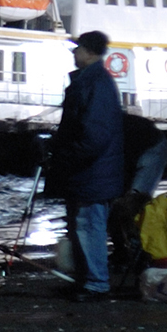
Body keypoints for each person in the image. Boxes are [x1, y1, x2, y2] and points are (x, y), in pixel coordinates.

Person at [49, 31, 124, 301]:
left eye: (77, 48)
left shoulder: (95, 84)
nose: (73, 52)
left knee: (89, 226)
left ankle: (95, 283)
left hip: (91, 171)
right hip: (90, 171)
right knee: (82, 225)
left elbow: (94, 135)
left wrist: (67, 154)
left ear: (90, 52)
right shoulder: (94, 82)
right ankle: (86, 280)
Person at [108, 113, 167, 266]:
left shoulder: (118, 130)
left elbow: (126, 162)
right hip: (140, 147)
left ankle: (140, 251)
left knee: (134, 203)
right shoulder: (110, 123)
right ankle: (124, 250)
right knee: (120, 204)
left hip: (152, 148)